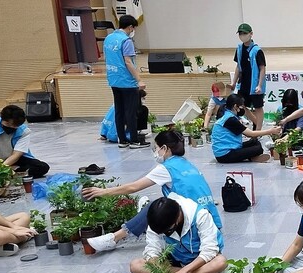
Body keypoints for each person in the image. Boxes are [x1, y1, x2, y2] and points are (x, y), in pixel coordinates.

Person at [82, 130, 222, 252]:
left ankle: (114, 238)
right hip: (211, 221)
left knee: (155, 206)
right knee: (160, 205)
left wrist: (102, 192)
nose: (155, 152)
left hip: (192, 223)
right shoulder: (186, 163)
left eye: (156, 148)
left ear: (165, 148)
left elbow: (133, 187)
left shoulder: (166, 168)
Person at [130, 195, 227, 273]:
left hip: (200, 262)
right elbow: (152, 249)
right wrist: (156, 266)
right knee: (136, 265)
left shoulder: (200, 214)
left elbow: (209, 250)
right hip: (174, 261)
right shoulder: (156, 221)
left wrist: (183, 272)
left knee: (220, 262)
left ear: (177, 218)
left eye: (167, 231)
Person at [102, 15, 147, 149]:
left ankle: (122, 140)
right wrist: (139, 80)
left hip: (113, 79)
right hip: (126, 81)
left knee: (119, 110)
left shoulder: (108, 38)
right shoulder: (126, 41)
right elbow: (128, 62)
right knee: (131, 112)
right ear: (130, 27)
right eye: (133, 28)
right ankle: (134, 141)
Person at [0, 105, 50, 178]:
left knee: (42, 167)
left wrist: (0, 168)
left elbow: (16, 155)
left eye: (15, 126)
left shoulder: (24, 131)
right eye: (8, 124)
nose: (11, 127)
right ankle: (14, 173)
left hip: (13, 160)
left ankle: (8, 172)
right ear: (2, 119)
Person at [212, 94, 279, 163]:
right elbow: (250, 134)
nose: (242, 108)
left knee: (255, 142)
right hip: (225, 155)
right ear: (235, 106)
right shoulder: (230, 119)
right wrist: (270, 131)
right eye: (241, 106)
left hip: (230, 148)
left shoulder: (227, 114)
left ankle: (252, 158)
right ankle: (252, 157)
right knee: (258, 149)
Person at [233, 23, 266, 131]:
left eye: (244, 33)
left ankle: (258, 131)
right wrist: (234, 82)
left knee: (258, 107)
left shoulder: (257, 50)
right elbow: (238, 66)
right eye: (240, 34)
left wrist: (259, 85)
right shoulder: (239, 49)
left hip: (254, 84)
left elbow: (262, 68)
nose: (242, 36)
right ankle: (256, 122)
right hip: (243, 83)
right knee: (240, 104)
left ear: (251, 34)